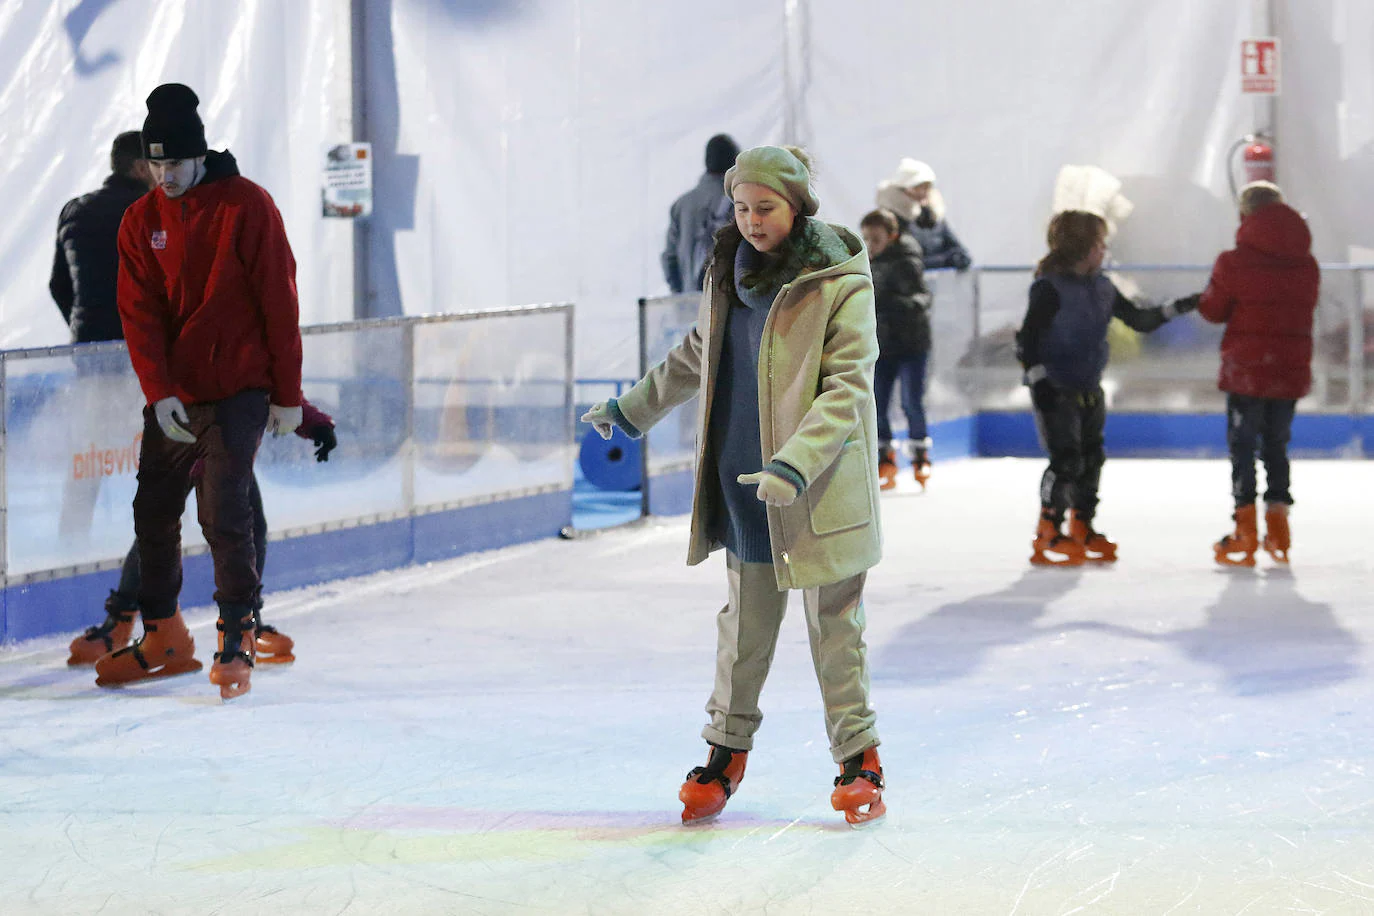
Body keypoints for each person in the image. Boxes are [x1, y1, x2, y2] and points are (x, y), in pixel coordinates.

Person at [583, 146, 887, 827]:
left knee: (835, 630)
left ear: (797, 206)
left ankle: (858, 759)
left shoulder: (839, 280)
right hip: (744, 483)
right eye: (742, 208)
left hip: (818, 490)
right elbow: (698, 352)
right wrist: (631, 410)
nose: (752, 221)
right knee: (743, 633)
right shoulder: (728, 270)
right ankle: (725, 753)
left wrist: (795, 463)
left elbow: (847, 387)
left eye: (766, 208)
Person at [95, 83, 304, 700]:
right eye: (156, 164)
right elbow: (138, 312)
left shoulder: (247, 205)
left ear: (201, 156)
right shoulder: (141, 219)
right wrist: (159, 390)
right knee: (153, 512)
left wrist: (287, 395)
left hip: (239, 389)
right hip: (176, 397)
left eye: (176, 164)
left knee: (222, 512)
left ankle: (237, 632)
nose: (165, 176)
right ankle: (164, 634)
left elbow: (278, 299)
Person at [67, 401, 336, 667]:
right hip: (186, 441)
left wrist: (315, 423)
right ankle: (122, 621)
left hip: (225, 447)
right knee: (158, 531)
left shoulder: (247, 367)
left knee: (248, 527)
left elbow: (275, 384)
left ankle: (247, 623)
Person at [1016, 210, 1197, 566]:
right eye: (1099, 244)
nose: (1104, 250)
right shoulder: (1049, 288)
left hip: (1089, 386)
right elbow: (1028, 340)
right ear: (1082, 248)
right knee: (1065, 459)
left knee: (1091, 458)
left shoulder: (1102, 287)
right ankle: (1048, 530)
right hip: (1056, 388)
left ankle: (1082, 524)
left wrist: (1180, 307)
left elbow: (1139, 320)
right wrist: (1039, 383)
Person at [1197, 181, 1319, 566]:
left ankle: (1244, 530)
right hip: (1288, 368)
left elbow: (1213, 310)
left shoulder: (1232, 262)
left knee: (1243, 447)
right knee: (1276, 446)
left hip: (1247, 370)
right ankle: (1279, 529)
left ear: (1245, 216)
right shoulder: (1307, 264)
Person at [50, 131, 155, 343]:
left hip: (88, 343)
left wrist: (84, 323)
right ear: (141, 168)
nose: (163, 174)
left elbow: (58, 285)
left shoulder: (74, 211)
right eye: (158, 165)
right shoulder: (153, 211)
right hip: (142, 342)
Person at [859, 208, 933, 489]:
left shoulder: (907, 262)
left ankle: (920, 456)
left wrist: (893, 303)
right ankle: (884, 459)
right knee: (877, 401)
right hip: (881, 345)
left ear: (892, 236)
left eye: (876, 239)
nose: (870, 245)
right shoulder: (864, 263)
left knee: (912, 401)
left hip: (912, 344)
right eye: (865, 238)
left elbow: (922, 299)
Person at [661, 134, 740, 293]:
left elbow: (670, 259)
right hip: (729, 303)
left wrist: (682, 295)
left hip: (690, 305)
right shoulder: (740, 202)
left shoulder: (681, 204)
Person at [873, 158, 971, 271]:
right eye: (917, 187)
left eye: (926, 187)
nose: (922, 192)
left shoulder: (935, 219)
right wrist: (944, 260)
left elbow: (960, 253)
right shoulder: (888, 221)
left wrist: (956, 258)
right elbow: (900, 263)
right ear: (902, 189)